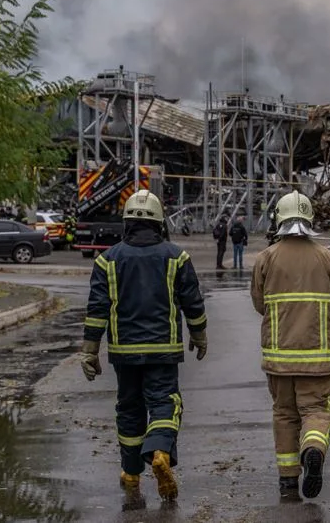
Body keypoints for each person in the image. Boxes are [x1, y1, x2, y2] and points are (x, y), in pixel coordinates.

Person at [79, 189, 209, 502]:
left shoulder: (107, 260)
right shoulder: (176, 257)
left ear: (126, 222)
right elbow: (193, 301)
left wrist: (89, 351)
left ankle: (131, 473)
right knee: (165, 403)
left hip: (123, 353)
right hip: (163, 350)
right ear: (159, 221)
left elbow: (97, 309)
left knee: (129, 409)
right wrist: (200, 335)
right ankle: (160, 452)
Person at [251, 190, 330, 501]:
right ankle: (314, 448)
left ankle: (288, 480)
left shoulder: (266, 258)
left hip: (278, 359)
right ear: (309, 218)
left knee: (284, 414)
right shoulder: (326, 257)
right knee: (317, 410)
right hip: (317, 359)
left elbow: (258, 303)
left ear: (278, 218)